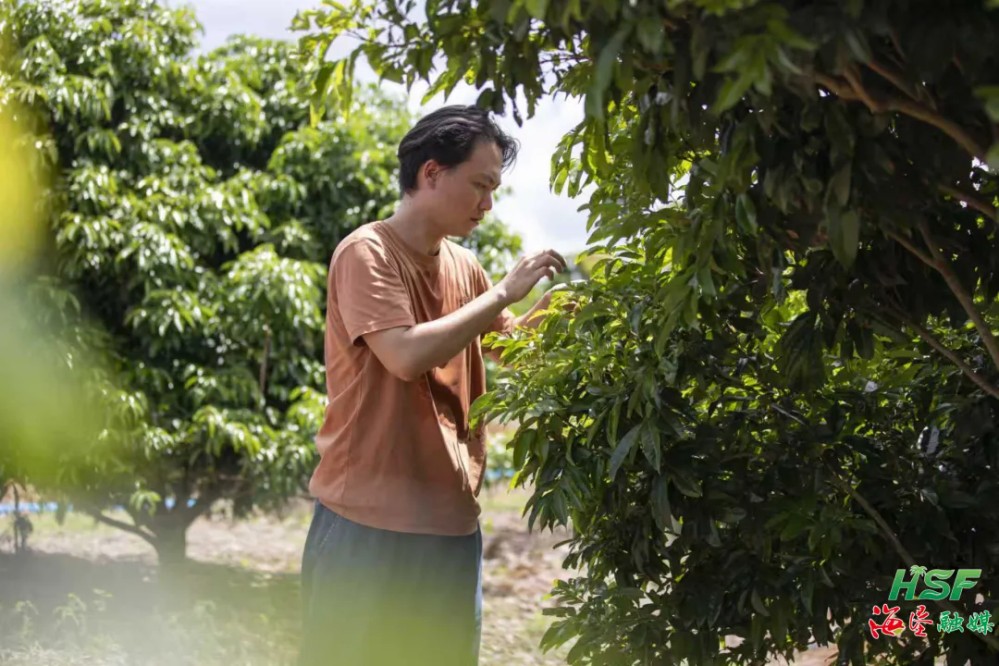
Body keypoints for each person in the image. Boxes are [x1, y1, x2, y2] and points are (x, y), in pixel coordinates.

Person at [298, 105, 568, 666]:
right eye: (480, 185)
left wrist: (561, 309)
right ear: (431, 173)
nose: (487, 204)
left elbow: (512, 348)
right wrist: (503, 293)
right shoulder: (367, 252)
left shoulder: (465, 266)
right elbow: (405, 354)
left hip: (450, 524)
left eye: (493, 190)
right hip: (365, 524)